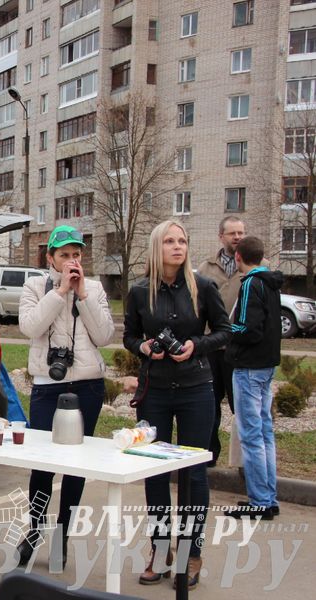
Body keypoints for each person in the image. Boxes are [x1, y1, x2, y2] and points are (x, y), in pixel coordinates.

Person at [123, 220, 231, 589]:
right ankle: (160, 549)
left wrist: (195, 346)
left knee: (194, 472)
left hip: (196, 390)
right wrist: (142, 347)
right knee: (155, 471)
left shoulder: (203, 286)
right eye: (169, 240)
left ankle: (192, 552)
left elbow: (223, 331)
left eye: (182, 240)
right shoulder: (140, 292)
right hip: (154, 391)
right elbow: (129, 335)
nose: (177, 246)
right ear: (157, 247)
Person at [16, 224, 115, 567]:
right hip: (48, 386)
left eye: (76, 255)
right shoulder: (34, 286)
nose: (72, 261)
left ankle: (63, 536)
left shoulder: (96, 289)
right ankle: (34, 530)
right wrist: (59, 292)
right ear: (51, 259)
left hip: (87, 385)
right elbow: (30, 328)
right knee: (42, 464)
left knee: (77, 466)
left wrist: (83, 296)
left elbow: (103, 336)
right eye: (65, 255)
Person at [224, 236, 283, 520]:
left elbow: (248, 328)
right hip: (267, 365)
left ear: (238, 257)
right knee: (264, 432)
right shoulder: (271, 283)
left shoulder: (250, 284)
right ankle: (268, 497)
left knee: (251, 435)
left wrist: (226, 329)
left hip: (249, 366)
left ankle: (260, 501)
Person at [197, 216, 245, 466]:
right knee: (210, 403)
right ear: (221, 237)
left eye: (241, 233)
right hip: (212, 347)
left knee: (241, 407)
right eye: (232, 233)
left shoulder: (258, 266)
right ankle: (209, 455)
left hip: (239, 349)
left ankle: (242, 462)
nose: (237, 237)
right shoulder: (206, 268)